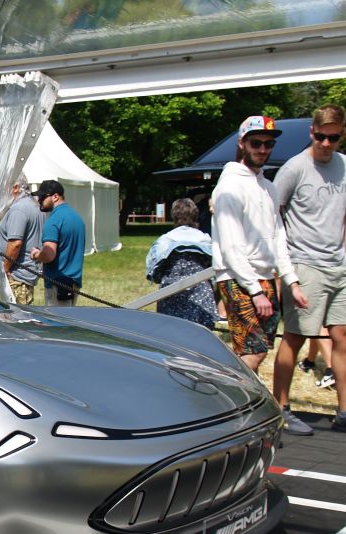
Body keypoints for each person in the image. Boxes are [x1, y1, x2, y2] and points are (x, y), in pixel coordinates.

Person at [211, 115, 307, 383]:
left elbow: (278, 236)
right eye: (256, 143)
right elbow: (231, 246)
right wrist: (254, 291)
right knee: (253, 352)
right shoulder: (229, 187)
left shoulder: (268, 188)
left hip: (265, 277)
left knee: (256, 351)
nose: (263, 149)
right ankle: (222, 393)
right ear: (242, 143)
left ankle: (236, 397)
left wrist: (291, 282)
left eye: (268, 144)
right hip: (237, 277)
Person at [270, 104, 346, 435]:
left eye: (334, 138)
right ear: (311, 133)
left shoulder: (344, 166)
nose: (326, 144)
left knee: (341, 337)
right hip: (305, 264)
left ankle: (344, 412)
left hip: (339, 265)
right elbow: (272, 216)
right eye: (321, 137)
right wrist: (285, 272)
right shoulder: (294, 168)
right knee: (296, 336)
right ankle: (281, 408)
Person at [145, 197, 218, 328]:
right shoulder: (205, 239)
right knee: (201, 333)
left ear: (173, 215)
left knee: (171, 332)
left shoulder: (165, 240)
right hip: (202, 295)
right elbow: (215, 267)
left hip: (170, 294)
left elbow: (154, 272)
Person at [30, 180, 85, 307]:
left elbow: (49, 255)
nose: (39, 201)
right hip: (74, 283)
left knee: (56, 319)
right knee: (69, 318)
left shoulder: (54, 220)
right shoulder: (77, 217)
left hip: (57, 284)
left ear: (55, 197)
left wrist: (37, 254)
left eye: (42, 197)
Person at [0, 173, 42, 305]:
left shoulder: (18, 209)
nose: (2, 192)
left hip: (16, 277)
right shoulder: (34, 205)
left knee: (15, 316)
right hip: (25, 274)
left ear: (15, 188)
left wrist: (5, 269)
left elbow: (15, 244)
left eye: (4, 187)